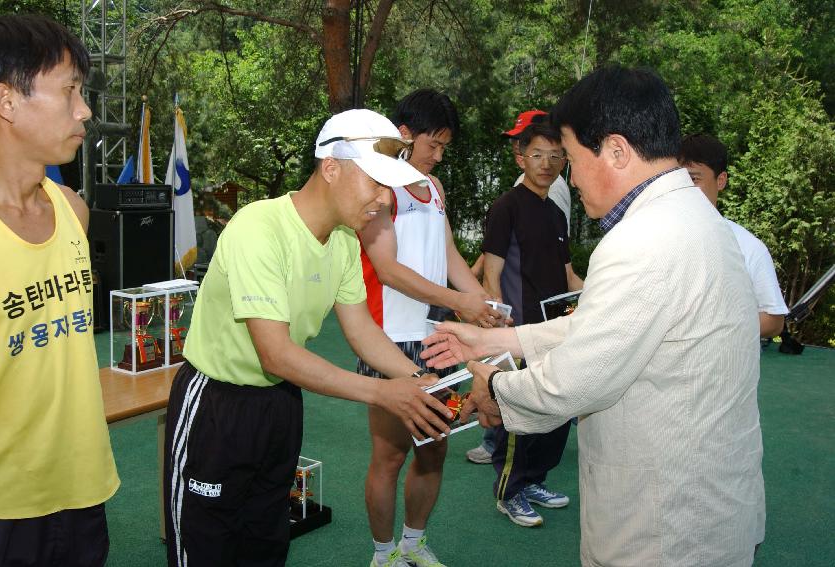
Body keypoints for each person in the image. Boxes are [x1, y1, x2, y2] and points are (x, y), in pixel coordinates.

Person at [422, 66, 764, 566]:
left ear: (618, 150)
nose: (570, 176)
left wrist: (491, 388)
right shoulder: (695, 218)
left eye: (573, 159)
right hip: (707, 501)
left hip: (664, 529)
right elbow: (603, 327)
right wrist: (499, 342)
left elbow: (572, 383)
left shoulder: (642, 241)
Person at [163, 108, 454, 567]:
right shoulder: (259, 227)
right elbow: (275, 353)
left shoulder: (341, 241)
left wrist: (425, 383)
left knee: (266, 537)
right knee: (205, 545)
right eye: (375, 182)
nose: (383, 199)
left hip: (280, 405)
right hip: (215, 406)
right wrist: (384, 392)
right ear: (331, 168)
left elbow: (363, 333)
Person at [0, 14, 119, 566]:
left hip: (83, 494)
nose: (85, 111)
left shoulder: (73, 211)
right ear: (5, 102)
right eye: (70, 92)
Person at [357, 88, 500, 567]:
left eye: (443, 147)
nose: (438, 156)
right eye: (432, 145)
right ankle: (383, 556)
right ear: (404, 135)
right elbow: (388, 270)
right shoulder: (378, 188)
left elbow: (450, 255)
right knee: (389, 455)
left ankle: (413, 544)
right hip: (386, 340)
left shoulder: (434, 189)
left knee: (434, 449)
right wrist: (459, 301)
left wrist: (478, 302)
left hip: (437, 340)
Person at [478, 122, 583, 527]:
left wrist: (603, 297)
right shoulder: (506, 207)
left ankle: (535, 480)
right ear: (521, 157)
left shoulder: (556, 213)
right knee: (520, 415)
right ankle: (509, 491)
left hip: (557, 331)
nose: (547, 163)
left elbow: (570, 276)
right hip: (521, 333)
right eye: (538, 154)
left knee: (555, 412)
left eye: (556, 155)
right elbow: (492, 274)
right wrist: (500, 331)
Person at [679, 133, 788, 338]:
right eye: (678, 179)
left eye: (694, 179)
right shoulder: (655, 239)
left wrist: (709, 329)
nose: (684, 188)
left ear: (720, 180)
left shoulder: (748, 247)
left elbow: (773, 320)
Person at [468, 109, 572, 284]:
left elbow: (551, 254)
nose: (516, 145)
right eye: (515, 140)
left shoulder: (554, 187)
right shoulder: (513, 197)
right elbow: (500, 248)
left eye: (521, 138)